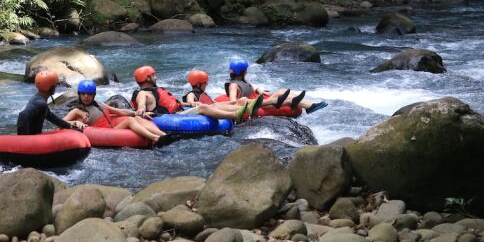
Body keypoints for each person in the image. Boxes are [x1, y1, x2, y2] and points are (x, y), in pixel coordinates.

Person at [131, 65, 262, 123]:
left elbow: (172, 103)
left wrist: (190, 103)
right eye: (153, 75)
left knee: (212, 106)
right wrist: (141, 111)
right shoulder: (143, 94)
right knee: (203, 107)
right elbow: (141, 106)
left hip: (179, 110)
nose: (156, 77)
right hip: (172, 117)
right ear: (147, 78)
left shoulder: (155, 91)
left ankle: (245, 108)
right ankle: (235, 115)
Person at [63, 79, 166, 144]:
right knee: (130, 121)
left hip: (112, 128)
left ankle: (163, 135)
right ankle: (155, 138)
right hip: (104, 133)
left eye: (89, 94)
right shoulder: (77, 110)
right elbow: (61, 122)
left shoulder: (99, 104)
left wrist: (136, 113)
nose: (86, 97)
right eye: (83, 94)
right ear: (79, 95)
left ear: (93, 95)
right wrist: (76, 122)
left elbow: (119, 112)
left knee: (137, 118)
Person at [226, 60, 328, 114]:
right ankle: (309, 107)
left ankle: (308, 105)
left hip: (258, 101)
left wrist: (259, 90)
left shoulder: (241, 80)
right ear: (242, 71)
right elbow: (233, 101)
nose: (247, 71)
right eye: (246, 69)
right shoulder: (233, 85)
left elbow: (251, 87)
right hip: (256, 105)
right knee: (284, 97)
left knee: (281, 90)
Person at [17, 71, 86, 135]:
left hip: (31, 137)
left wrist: (71, 126)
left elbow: (54, 119)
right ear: (51, 88)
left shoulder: (36, 98)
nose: (56, 88)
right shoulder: (41, 104)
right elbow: (23, 115)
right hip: (31, 140)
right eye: (55, 86)